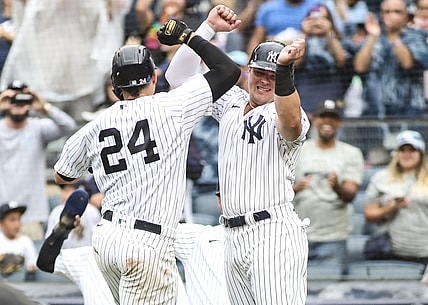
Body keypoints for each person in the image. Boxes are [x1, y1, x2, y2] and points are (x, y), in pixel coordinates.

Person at [53, 6, 241, 305]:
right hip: (147, 244)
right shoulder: (172, 107)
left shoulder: (95, 125)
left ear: (115, 87)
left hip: (107, 239)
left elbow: (62, 175)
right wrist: (192, 35)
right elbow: (229, 72)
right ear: (154, 76)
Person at [166, 9, 310, 305]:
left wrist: (284, 71)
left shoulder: (282, 111)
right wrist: (207, 28)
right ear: (248, 70)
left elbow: (292, 123)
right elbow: (177, 78)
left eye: (274, 76)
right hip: (231, 234)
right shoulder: (231, 100)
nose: (265, 81)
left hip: (273, 233)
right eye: (260, 72)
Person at [293, 99, 364, 274]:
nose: (327, 121)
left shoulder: (351, 153)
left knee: (330, 294)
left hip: (333, 236)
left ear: (339, 122)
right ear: (315, 120)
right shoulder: (298, 149)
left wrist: (337, 187)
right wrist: (294, 188)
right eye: (323, 116)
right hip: (298, 235)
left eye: (333, 117)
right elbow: (276, 189)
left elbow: (351, 194)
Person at [0, 80, 77, 240]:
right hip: (1, 215)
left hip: (32, 216)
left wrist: (44, 107)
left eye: (23, 98)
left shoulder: (38, 128)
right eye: (13, 98)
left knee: (32, 264)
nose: (18, 103)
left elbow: (70, 127)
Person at [353, 0, 428, 118]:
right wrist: (372, 37)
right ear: (381, 15)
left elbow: (407, 63)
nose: (391, 15)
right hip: (375, 109)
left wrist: (392, 35)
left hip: (408, 110)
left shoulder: (417, 36)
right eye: (387, 12)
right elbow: (360, 67)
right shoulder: (374, 37)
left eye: (396, 12)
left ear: (406, 15)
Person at [363, 130, 428, 264]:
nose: (407, 154)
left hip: (425, 250)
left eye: (412, 150)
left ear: (421, 153)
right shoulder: (381, 178)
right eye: (402, 150)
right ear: (396, 153)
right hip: (391, 250)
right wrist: (389, 210)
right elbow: (369, 214)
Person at [295, 3, 352, 118]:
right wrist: (304, 33)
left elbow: (341, 61)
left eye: (322, 18)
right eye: (312, 19)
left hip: (331, 98)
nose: (317, 22)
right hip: (304, 98)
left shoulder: (340, 42)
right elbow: (295, 63)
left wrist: (329, 32)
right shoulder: (299, 41)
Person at [45, 180, 101, 249]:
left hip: (87, 255)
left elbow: (98, 240)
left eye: (68, 190)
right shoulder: (56, 211)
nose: (64, 194)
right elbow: (49, 242)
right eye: (64, 190)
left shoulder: (91, 211)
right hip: (64, 256)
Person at [246, 0, 317, 54]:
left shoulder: (316, 6)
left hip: (307, 54)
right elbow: (256, 39)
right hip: (273, 53)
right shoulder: (269, 7)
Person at [0, 201, 37, 275]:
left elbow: (33, 266)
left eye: (19, 219)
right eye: (12, 220)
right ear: (1, 223)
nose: (17, 224)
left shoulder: (26, 241)